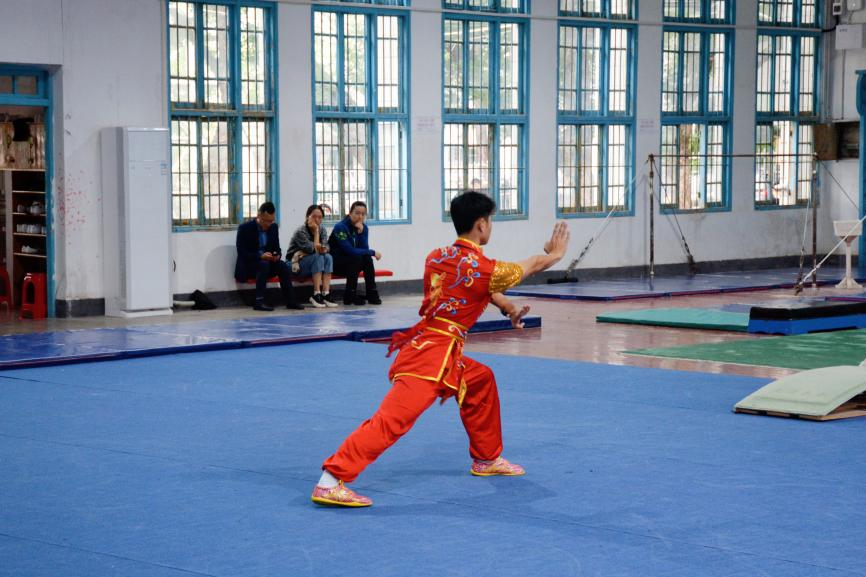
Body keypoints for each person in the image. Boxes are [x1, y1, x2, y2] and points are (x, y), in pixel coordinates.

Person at [311, 191, 570, 507]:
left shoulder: (437, 257)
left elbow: (474, 287)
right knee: (392, 420)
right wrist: (555, 254)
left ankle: (487, 458)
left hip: (435, 347)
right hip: (431, 358)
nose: (490, 226)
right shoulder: (484, 268)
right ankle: (330, 480)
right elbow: (530, 266)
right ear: (481, 224)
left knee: (481, 380)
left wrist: (507, 307)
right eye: (490, 221)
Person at [234, 201, 303, 312]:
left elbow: (277, 248)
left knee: (282, 265)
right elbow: (242, 253)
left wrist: (277, 255)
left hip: (267, 263)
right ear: (259, 216)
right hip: (250, 266)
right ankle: (259, 301)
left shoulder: (273, 228)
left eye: (272, 220)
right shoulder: (245, 228)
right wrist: (260, 256)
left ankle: (291, 301)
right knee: (264, 264)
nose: (269, 224)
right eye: (266, 221)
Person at [329, 201, 382, 306]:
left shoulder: (364, 228)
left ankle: (371, 293)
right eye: (357, 213)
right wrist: (372, 252)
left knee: (367, 259)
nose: (360, 217)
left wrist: (361, 233)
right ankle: (350, 294)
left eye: (363, 214)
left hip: (352, 264)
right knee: (357, 258)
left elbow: (364, 249)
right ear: (350, 213)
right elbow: (349, 250)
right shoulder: (340, 227)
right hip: (335, 265)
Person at [287, 204, 338, 308]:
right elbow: (313, 249)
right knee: (318, 256)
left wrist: (324, 248)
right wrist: (316, 232)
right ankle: (316, 294)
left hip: (313, 263)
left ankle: (325, 293)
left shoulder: (322, 229)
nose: (317, 220)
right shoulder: (300, 231)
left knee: (328, 257)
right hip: (295, 264)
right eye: (314, 216)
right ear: (307, 217)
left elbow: (326, 247)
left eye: (320, 217)